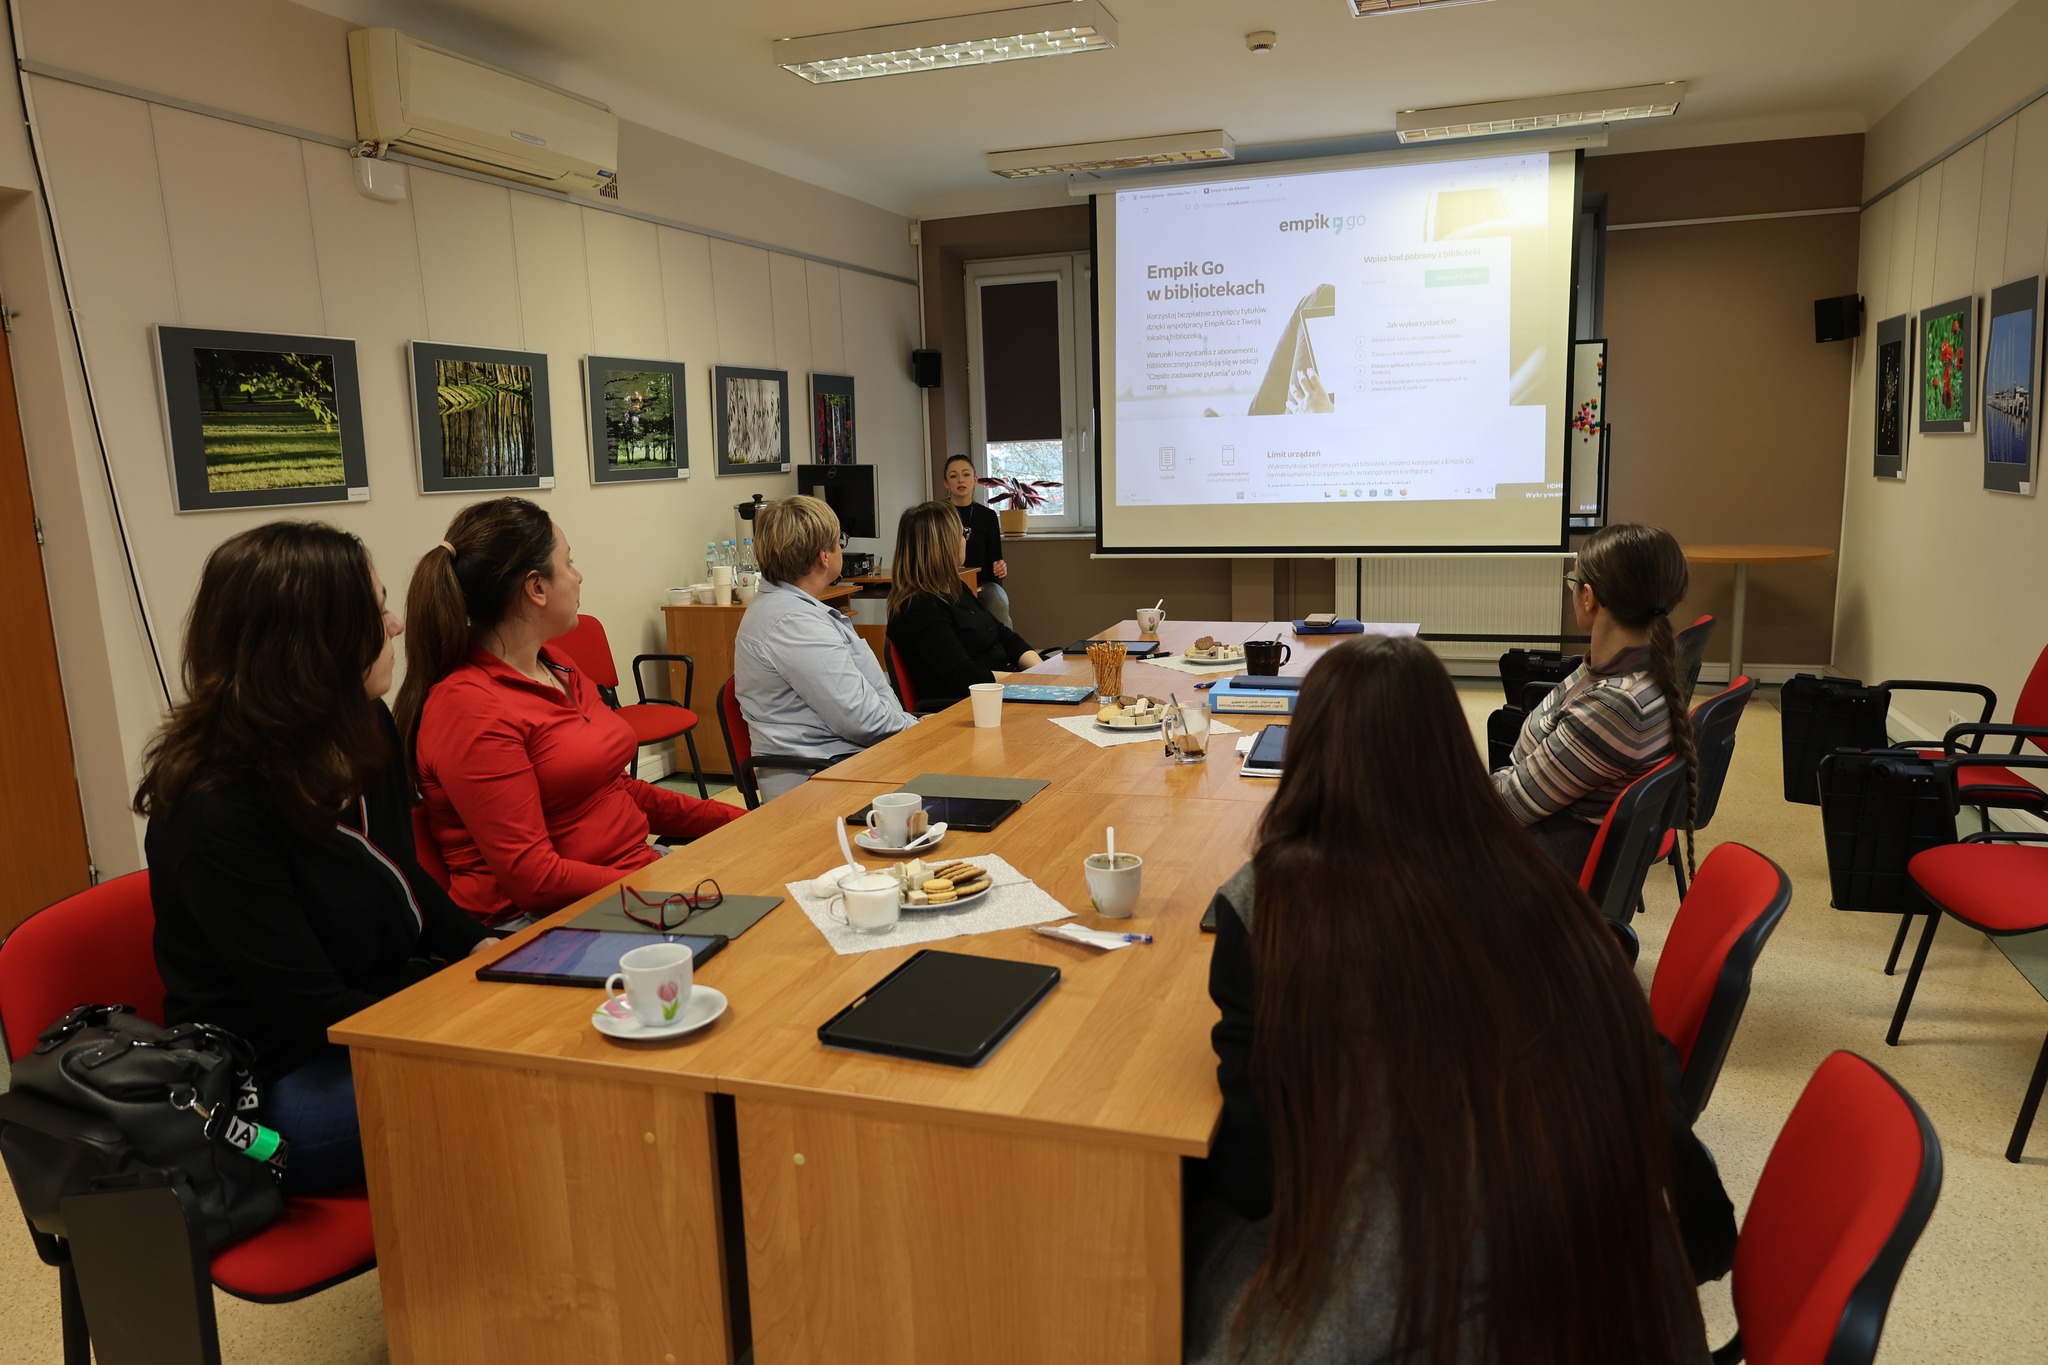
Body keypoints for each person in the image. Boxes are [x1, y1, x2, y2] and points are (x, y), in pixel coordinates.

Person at [1189, 634, 1721, 1365]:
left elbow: (1259, 1172)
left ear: (1304, 755)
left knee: (1172, 1217)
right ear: (1452, 748)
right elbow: (1647, 1073)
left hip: (1415, 1321)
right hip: (1616, 1315)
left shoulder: (1272, 904)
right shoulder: (1541, 884)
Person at [139, 523, 492, 1195]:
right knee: (511, 1083)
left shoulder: (365, 726)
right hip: (271, 1091)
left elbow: (399, 874)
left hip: (375, 1021)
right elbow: (315, 1013)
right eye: (375, 610)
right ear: (312, 646)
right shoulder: (214, 815)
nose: (394, 624)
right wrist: (463, 1004)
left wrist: (484, 949)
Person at [395, 498, 740, 926]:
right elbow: (534, 878)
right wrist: (660, 881)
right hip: (538, 923)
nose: (578, 577)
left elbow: (618, 792)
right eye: (569, 563)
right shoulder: (469, 709)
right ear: (536, 588)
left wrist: (740, 822)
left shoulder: (556, 664)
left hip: (629, 883)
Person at [1495, 523, 1697, 877]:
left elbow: (1508, 807)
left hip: (1536, 870)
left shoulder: (1616, 705)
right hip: (1544, 834)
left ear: (1587, 597)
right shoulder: (1628, 667)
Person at [734, 494, 917, 800]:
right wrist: (917, 731)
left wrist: (912, 726)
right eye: (837, 542)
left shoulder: (794, 610)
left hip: (844, 758)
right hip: (822, 776)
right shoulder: (792, 621)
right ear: (824, 557)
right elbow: (862, 719)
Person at [885, 500, 1043, 707]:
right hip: (968, 707)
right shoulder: (918, 608)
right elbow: (966, 677)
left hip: (1001, 691)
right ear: (944, 545)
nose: (965, 540)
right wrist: (1027, 682)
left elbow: (1004, 636)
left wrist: (1043, 673)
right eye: (962, 534)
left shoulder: (954, 586)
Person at [942, 454, 1014, 628]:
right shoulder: (939, 514)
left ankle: (1004, 653)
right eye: (953, 476)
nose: (961, 480)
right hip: (945, 586)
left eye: (966, 474)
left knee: (998, 601)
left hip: (983, 585)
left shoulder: (988, 516)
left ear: (974, 480)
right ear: (946, 483)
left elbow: (997, 559)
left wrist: (1000, 567)